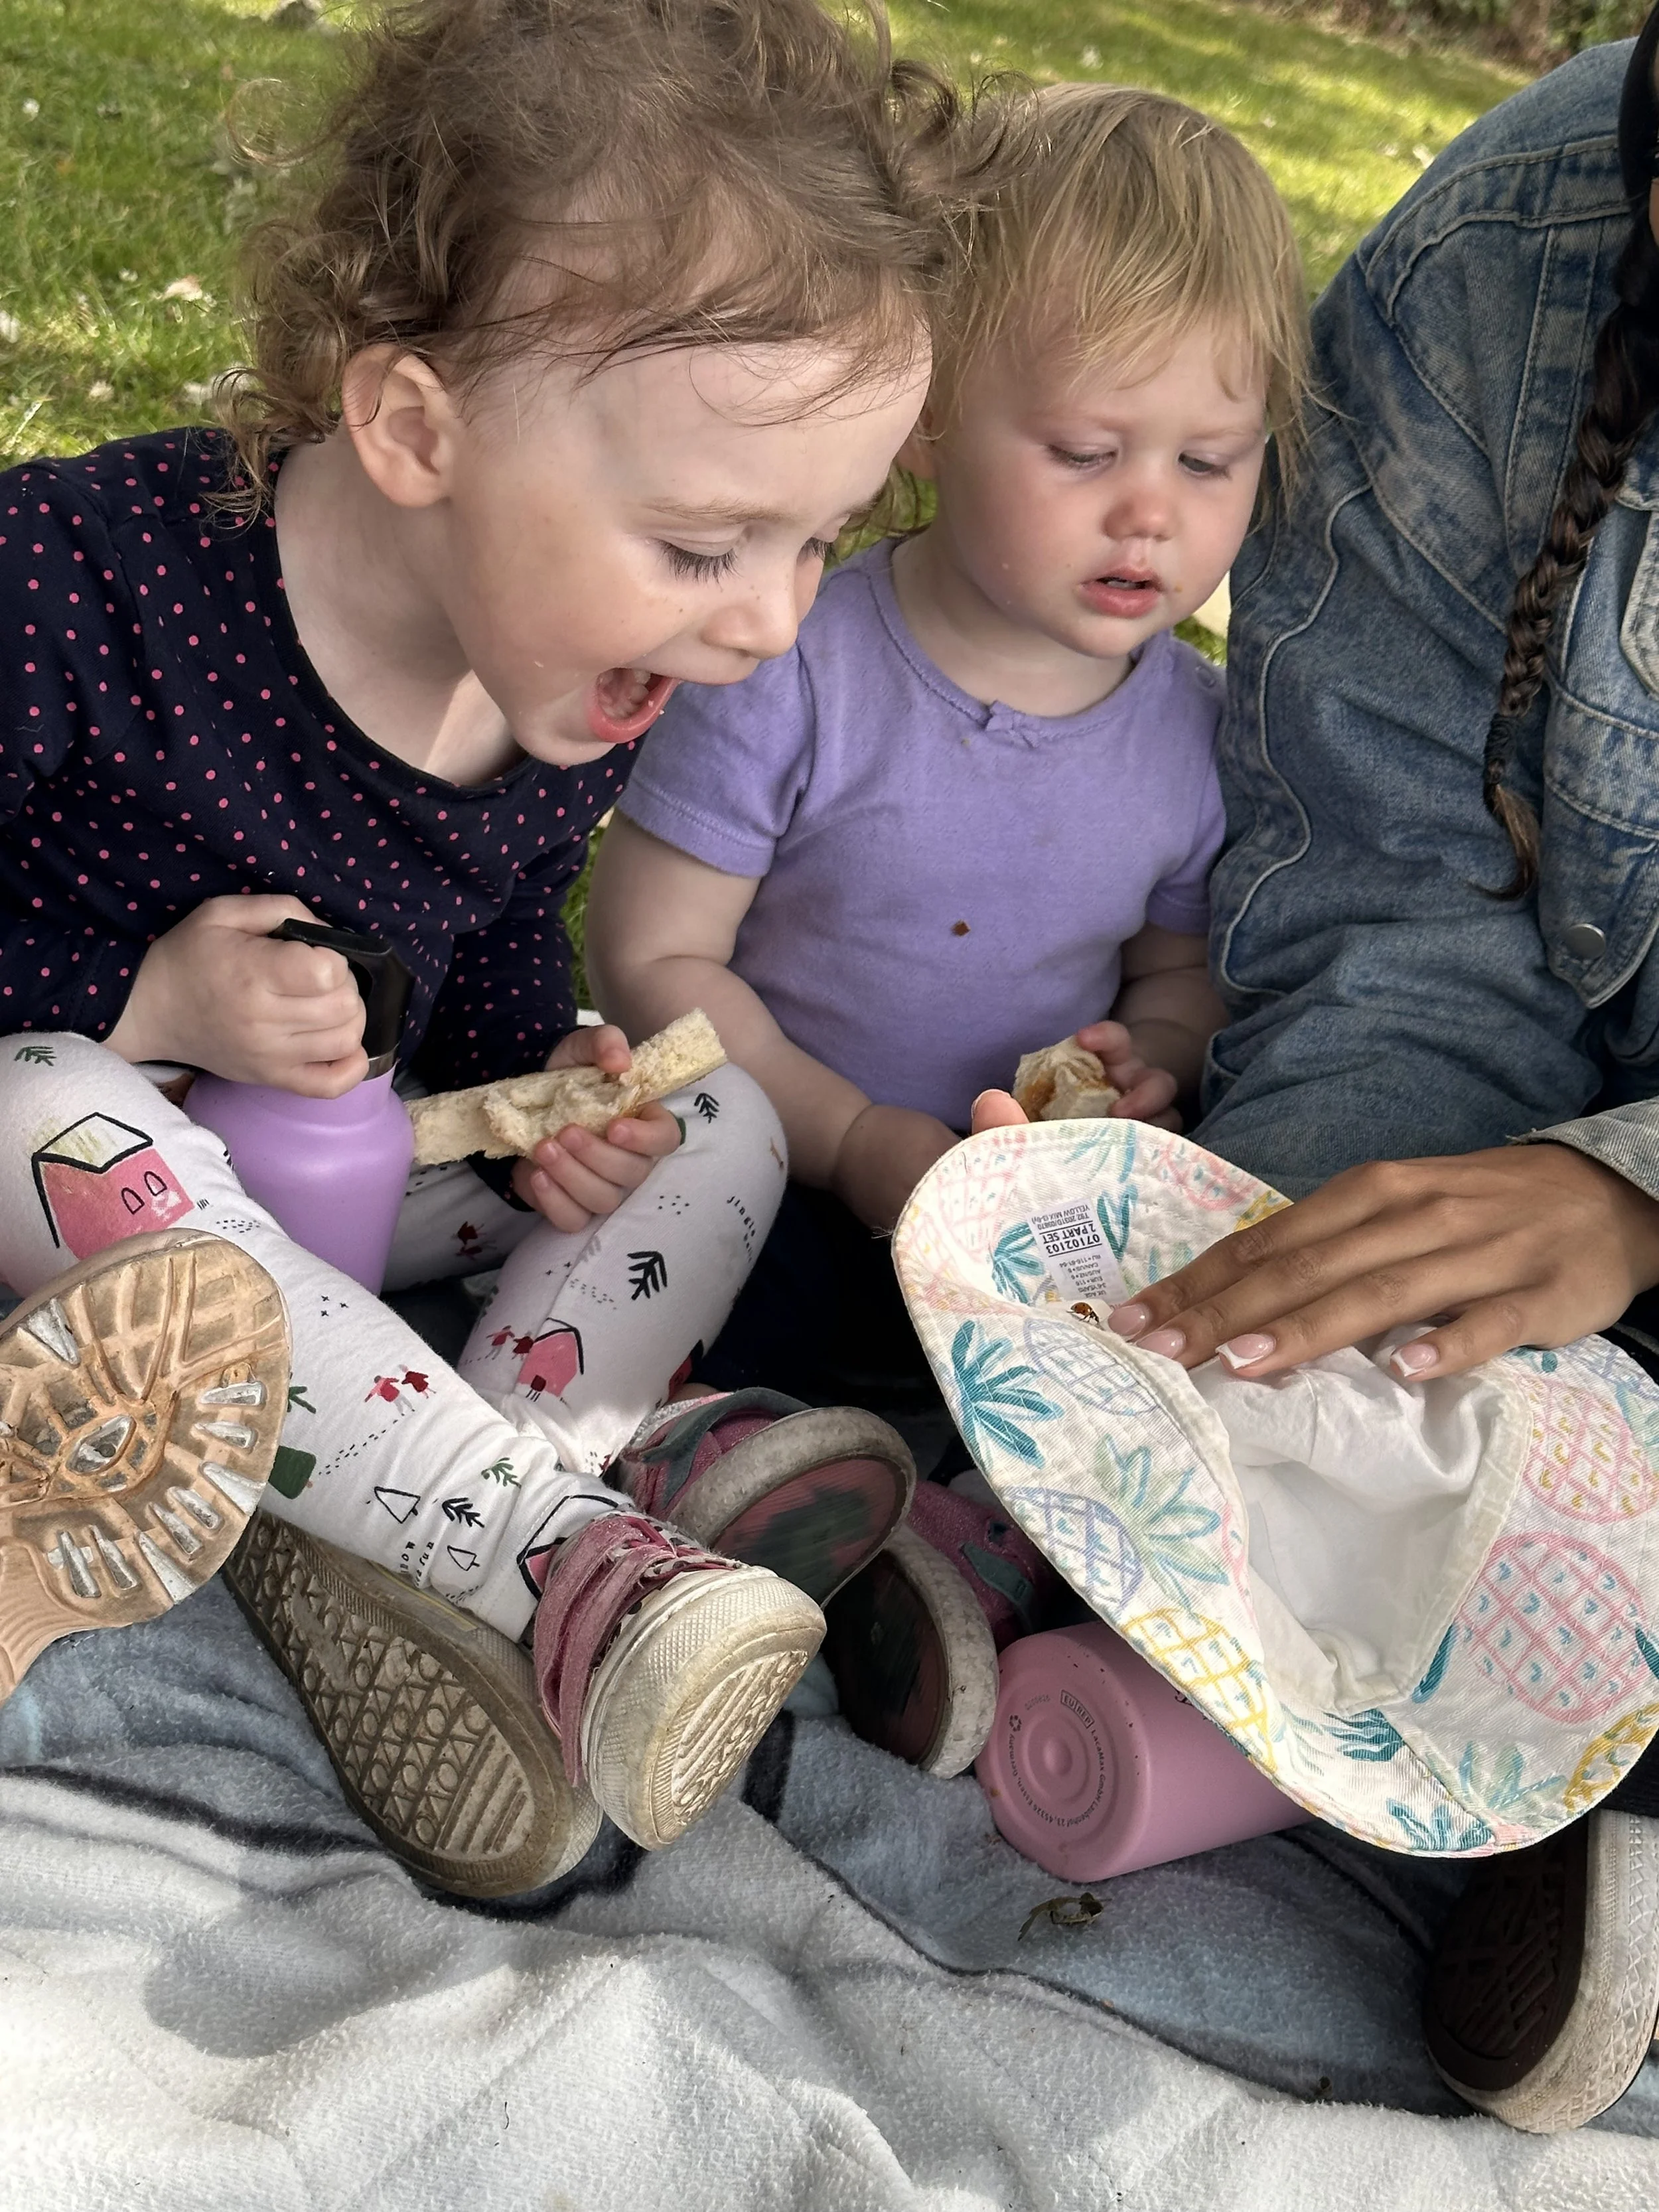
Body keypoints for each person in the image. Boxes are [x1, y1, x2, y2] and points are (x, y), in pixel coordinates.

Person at [0, 0, 979, 1900]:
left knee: (724, 1127)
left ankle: (401, 1543)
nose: (773, 625)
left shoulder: (546, 687)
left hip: (332, 1232)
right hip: (88, 1233)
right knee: (40, 1092)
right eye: (706, 544)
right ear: (414, 426)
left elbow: (486, 967)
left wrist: (556, 1110)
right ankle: (545, 1552)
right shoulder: (75, 586)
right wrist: (142, 1007)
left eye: (822, 544)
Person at [1001, 23, 1659, 2136]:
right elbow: (1394, 908)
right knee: (1268, 1352)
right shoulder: (1490, 276)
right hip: (1526, 1123)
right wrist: (1308, 1299)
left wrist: (1634, 1195)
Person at [584, 83, 1309, 1767]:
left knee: (1151, 1345)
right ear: (922, 419)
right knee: (678, 1247)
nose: (1152, 513)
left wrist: (1163, 1055)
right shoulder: (798, 660)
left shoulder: (1197, 734)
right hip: (764, 1162)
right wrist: (845, 1139)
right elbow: (651, 955)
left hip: (992, 1214)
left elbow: (1174, 967)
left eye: (1210, 461)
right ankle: (687, 1475)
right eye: (1082, 451)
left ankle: (958, 1557)